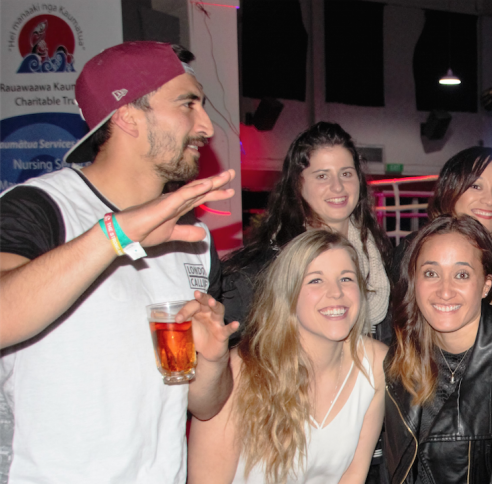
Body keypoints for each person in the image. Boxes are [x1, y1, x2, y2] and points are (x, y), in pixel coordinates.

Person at [0, 41, 237, 482]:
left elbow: (203, 404)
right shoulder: (42, 206)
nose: (206, 126)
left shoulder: (194, 240)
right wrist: (116, 236)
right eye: (188, 104)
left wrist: (214, 361)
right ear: (127, 115)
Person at [189, 230, 386, 484]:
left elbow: (353, 476)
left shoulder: (375, 364)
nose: (336, 292)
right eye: (316, 281)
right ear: (288, 294)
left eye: (346, 279)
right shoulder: (239, 370)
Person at [382, 215, 492, 483]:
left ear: (486, 285)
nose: (445, 290)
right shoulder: (400, 350)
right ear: (414, 279)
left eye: (461, 275)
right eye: (431, 273)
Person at [222, 122, 391, 337]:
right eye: (322, 176)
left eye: (346, 174)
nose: (338, 186)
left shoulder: (382, 262)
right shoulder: (264, 270)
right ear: (297, 185)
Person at [387, 146, 492, 343]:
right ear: (451, 188)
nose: (489, 200)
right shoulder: (414, 251)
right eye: (476, 186)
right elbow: (397, 330)